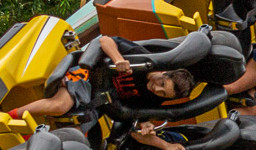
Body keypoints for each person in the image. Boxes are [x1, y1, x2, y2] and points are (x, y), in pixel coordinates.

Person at [14, 35, 196, 120]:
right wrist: (118, 60)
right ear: (164, 72)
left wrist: (145, 127)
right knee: (61, 106)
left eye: (163, 94)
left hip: (96, 102)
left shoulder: (153, 100)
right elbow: (105, 40)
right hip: (87, 76)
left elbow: (137, 115)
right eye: (162, 83)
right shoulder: (141, 59)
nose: (157, 89)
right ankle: (10, 117)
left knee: (80, 132)